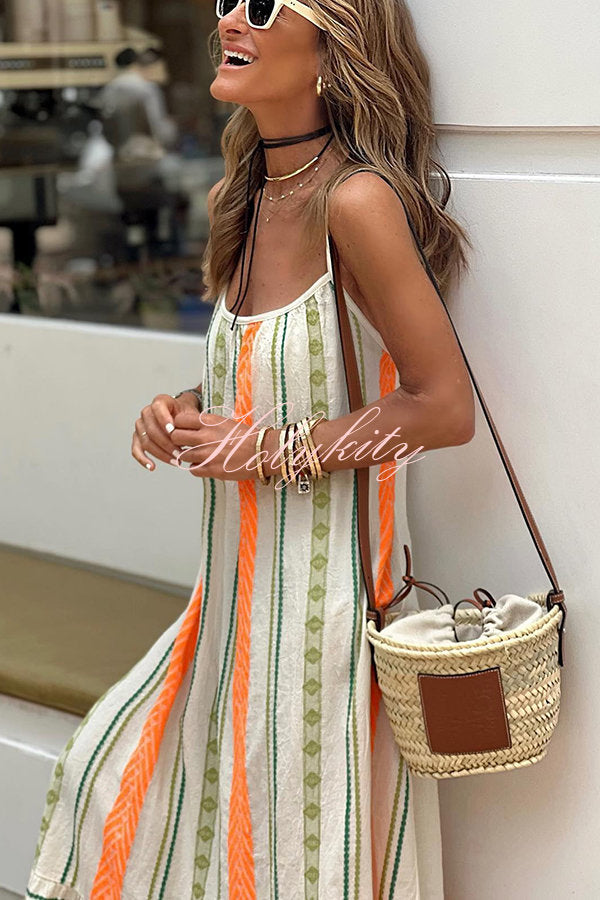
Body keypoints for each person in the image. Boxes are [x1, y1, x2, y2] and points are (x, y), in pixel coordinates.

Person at [26, 1, 475, 897]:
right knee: (125, 790)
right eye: (230, 0)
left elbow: (443, 407)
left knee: (292, 859)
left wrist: (267, 450)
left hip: (322, 613)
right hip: (231, 601)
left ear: (331, 53)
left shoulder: (356, 201)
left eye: (266, 7)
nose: (232, 18)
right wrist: (184, 410)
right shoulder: (243, 199)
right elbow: (268, 376)